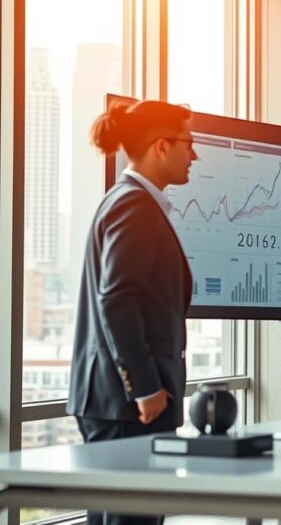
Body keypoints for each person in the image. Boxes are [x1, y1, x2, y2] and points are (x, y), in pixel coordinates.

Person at [66, 99, 197, 525]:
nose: (193, 155)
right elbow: (117, 299)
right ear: (161, 147)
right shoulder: (135, 206)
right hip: (130, 406)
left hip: (121, 405)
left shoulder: (130, 202)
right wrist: (144, 388)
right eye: (187, 144)